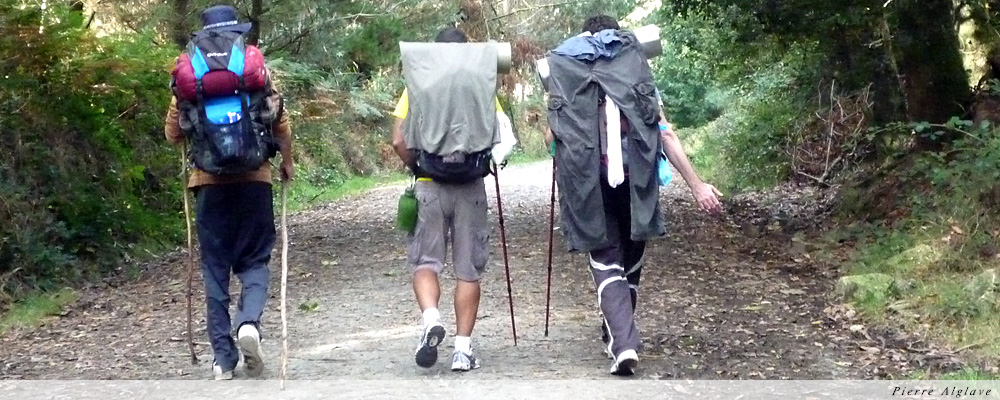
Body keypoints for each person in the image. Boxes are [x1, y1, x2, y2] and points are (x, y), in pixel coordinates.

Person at [544, 15, 723, 376]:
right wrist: (697, 185)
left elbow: (552, 140)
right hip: (635, 178)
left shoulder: (568, 75)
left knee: (605, 256)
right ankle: (622, 338)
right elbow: (665, 134)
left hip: (589, 182)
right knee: (630, 259)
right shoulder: (633, 72)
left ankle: (621, 340)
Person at [164, 4, 294, 380]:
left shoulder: (191, 74)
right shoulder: (253, 68)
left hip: (209, 186)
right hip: (255, 180)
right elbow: (280, 121)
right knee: (255, 261)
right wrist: (287, 163)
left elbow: (173, 133)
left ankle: (223, 359)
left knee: (215, 269)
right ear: (235, 31)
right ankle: (249, 324)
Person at [391, 27, 514, 372]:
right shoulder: (482, 81)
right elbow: (504, 138)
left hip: (428, 184)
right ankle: (462, 350)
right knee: (468, 269)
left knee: (425, 262)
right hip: (471, 188)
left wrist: (417, 164)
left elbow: (398, 139)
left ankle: (431, 319)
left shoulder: (418, 82)